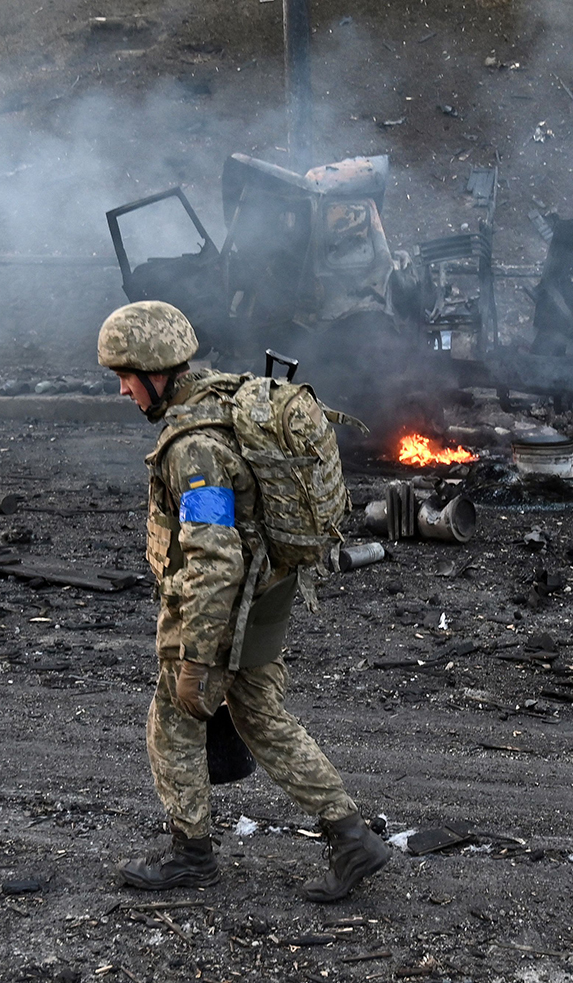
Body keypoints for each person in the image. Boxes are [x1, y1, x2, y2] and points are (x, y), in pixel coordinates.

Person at [99, 299, 392, 901]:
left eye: (127, 376)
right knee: (262, 716)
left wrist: (197, 656)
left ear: (158, 372)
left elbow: (214, 557)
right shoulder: (227, 398)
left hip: (222, 606)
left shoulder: (193, 450)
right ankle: (351, 836)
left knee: (174, 722)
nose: (124, 391)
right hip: (265, 593)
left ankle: (192, 855)